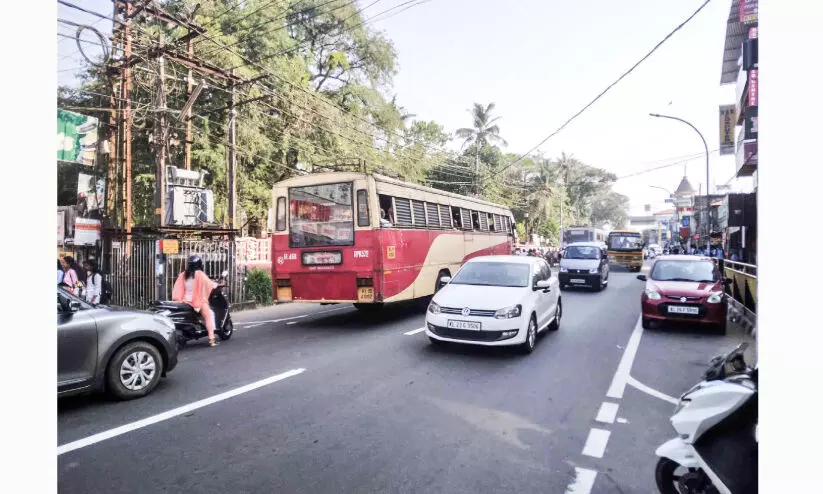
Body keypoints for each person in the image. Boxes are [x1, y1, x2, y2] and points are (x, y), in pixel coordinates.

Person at [172, 255, 219, 347]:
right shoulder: (199, 274)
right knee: (209, 315)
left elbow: (178, 288)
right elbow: (209, 284)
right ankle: (212, 339)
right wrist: (216, 284)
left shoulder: (183, 274)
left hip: (185, 301)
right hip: (197, 301)